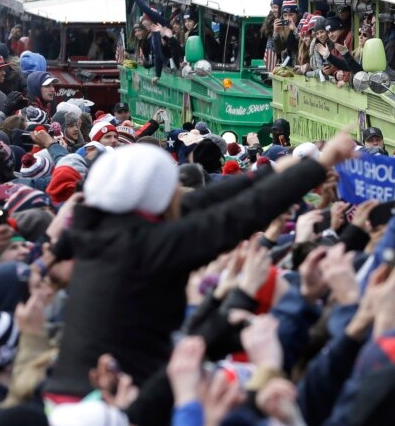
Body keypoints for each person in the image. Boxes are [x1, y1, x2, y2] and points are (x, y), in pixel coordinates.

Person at [44, 134, 356, 402]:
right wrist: (319, 163)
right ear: (158, 198)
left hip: (81, 393)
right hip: (110, 402)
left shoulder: (111, 230)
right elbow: (237, 216)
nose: (180, 196)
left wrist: (280, 170)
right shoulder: (145, 246)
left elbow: (207, 200)